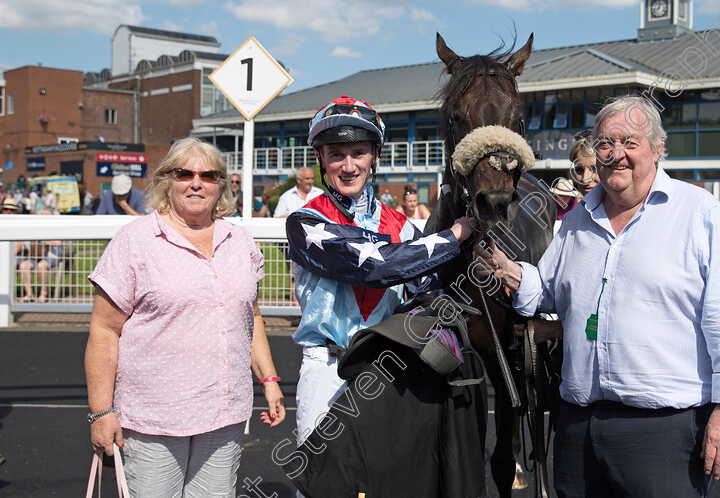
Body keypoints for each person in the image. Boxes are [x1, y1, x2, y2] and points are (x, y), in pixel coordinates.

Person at [474, 95, 720, 498]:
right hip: (579, 429)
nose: (616, 155)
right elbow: (548, 291)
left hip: (664, 434)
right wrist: (511, 272)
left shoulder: (699, 214)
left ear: (657, 148)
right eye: (606, 144)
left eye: (630, 142)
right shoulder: (577, 220)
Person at [84, 138, 285, 497]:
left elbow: (249, 317)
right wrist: (101, 413)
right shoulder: (135, 241)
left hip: (224, 415)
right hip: (155, 418)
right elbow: (103, 331)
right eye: (184, 173)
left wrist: (268, 378)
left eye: (208, 175)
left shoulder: (240, 242)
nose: (196, 183)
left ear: (221, 184)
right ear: (167, 180)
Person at [284, 96, 475, 468]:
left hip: (384, 369)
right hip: (325, 368)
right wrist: (452, 237)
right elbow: (375, 268)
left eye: (358, 152)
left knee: (383, 478)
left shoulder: (403, 227)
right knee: (321, 482)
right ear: (320, 159)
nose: (348, 165)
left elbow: (428, 295)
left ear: (375, 155)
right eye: (336, 153)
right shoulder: (304, 221)